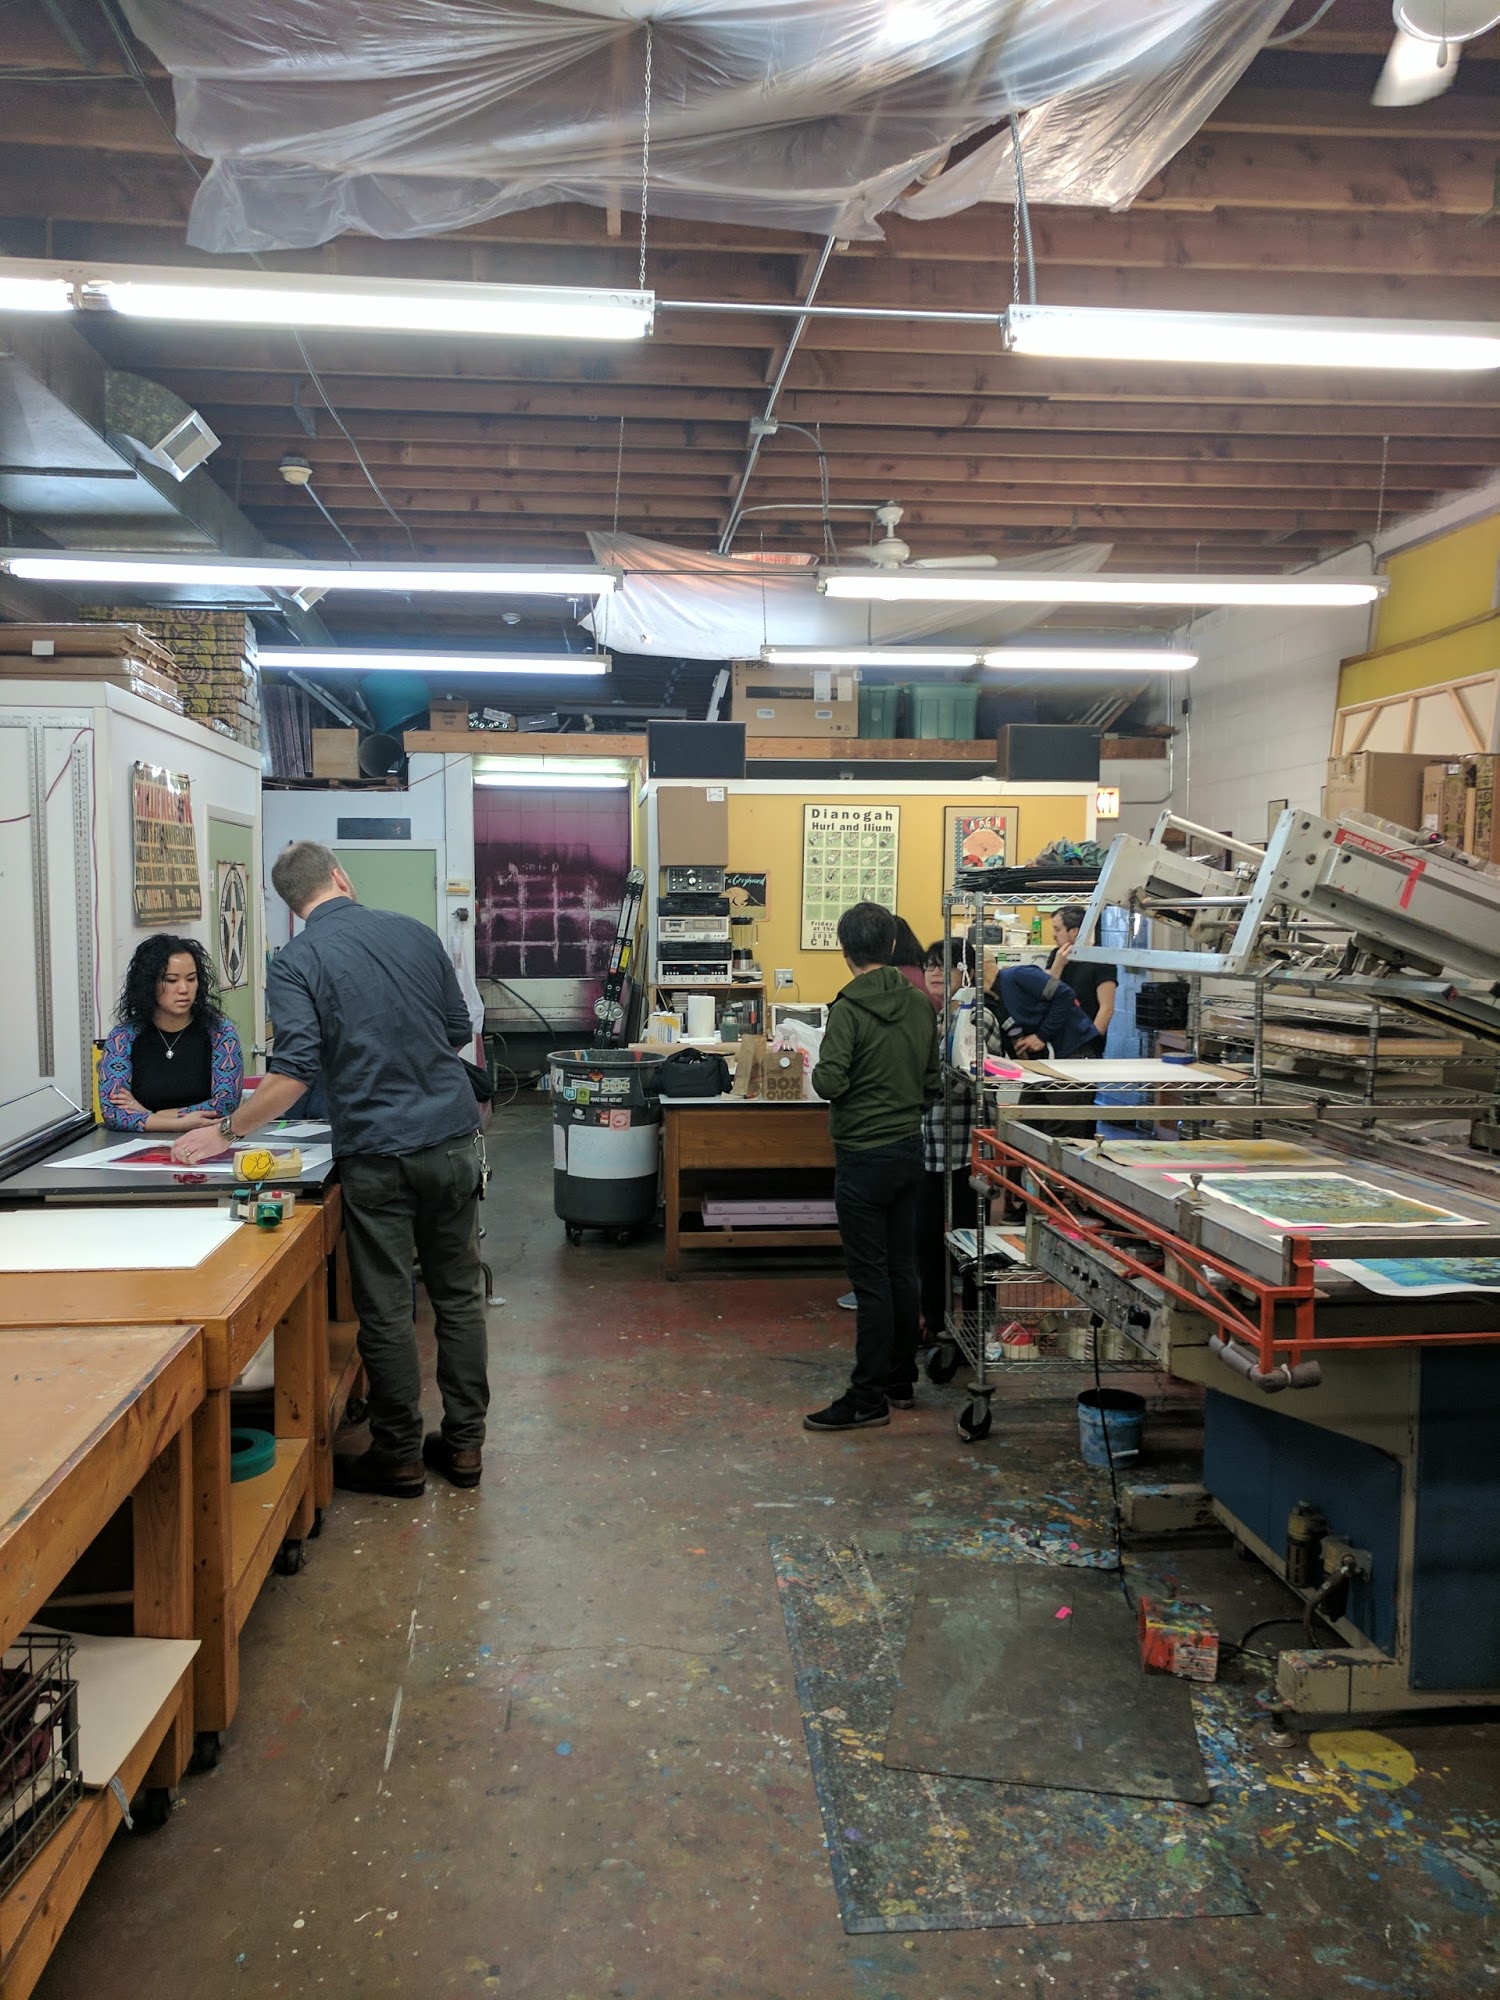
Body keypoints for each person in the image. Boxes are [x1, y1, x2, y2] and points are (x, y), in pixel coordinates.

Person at [174, 841, 489, 1500]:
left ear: (292, 907)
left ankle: (399, 1457)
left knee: (387, 1307)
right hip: (452, 1138)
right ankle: (464, 1447)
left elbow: (293, 1073)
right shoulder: (415, 932)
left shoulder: (296, 961)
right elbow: (458, 1028)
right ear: (342, 878)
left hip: (376, 1151)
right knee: (458, 1297)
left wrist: (223, 1131)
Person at [806, 902, 939, 1433]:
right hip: (909, 1150)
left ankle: (867, 1398)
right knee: (903, 1270)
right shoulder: (920, 1004)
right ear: (892, 946)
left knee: (870, 1280)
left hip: (862, 1156)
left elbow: (830, 1082)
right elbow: (931, 1083)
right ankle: (901, 1379)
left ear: (845, 951)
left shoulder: (848, 1009)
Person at [917, 938, 1003, 1343]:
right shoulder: (939, 1016)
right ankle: (935, 1322)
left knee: (972, 1242)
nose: (935, 972)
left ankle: (976, 1326)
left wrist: (920, 1083)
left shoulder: (977, 1017)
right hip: (932, 1149)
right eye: (930, 965)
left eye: (945, 965)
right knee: (927, 1240)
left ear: (967, 972)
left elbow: (970, 1080)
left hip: (967, 1151)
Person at [100, 934, 243, 1133]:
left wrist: (150, 1115)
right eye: (171, 980)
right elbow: (113, 1112)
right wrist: (178, 1122)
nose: (184, 989)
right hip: (139, 1147)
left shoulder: (220, 1033)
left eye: (191, 979)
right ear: (148, 983)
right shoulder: (122, 1038)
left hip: (205, 1139)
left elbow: (224, 1105)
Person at [1046, 904, 1117, 1045]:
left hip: (1085, 1038)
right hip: (1057, 1037)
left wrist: (1091, 1041)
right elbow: (1046, 994)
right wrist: (1058, 964)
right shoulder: (1056, 955)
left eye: (1057, 929)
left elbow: (1106, 1008)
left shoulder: (1102, 960)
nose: (1053, 934)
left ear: (1074, 932)